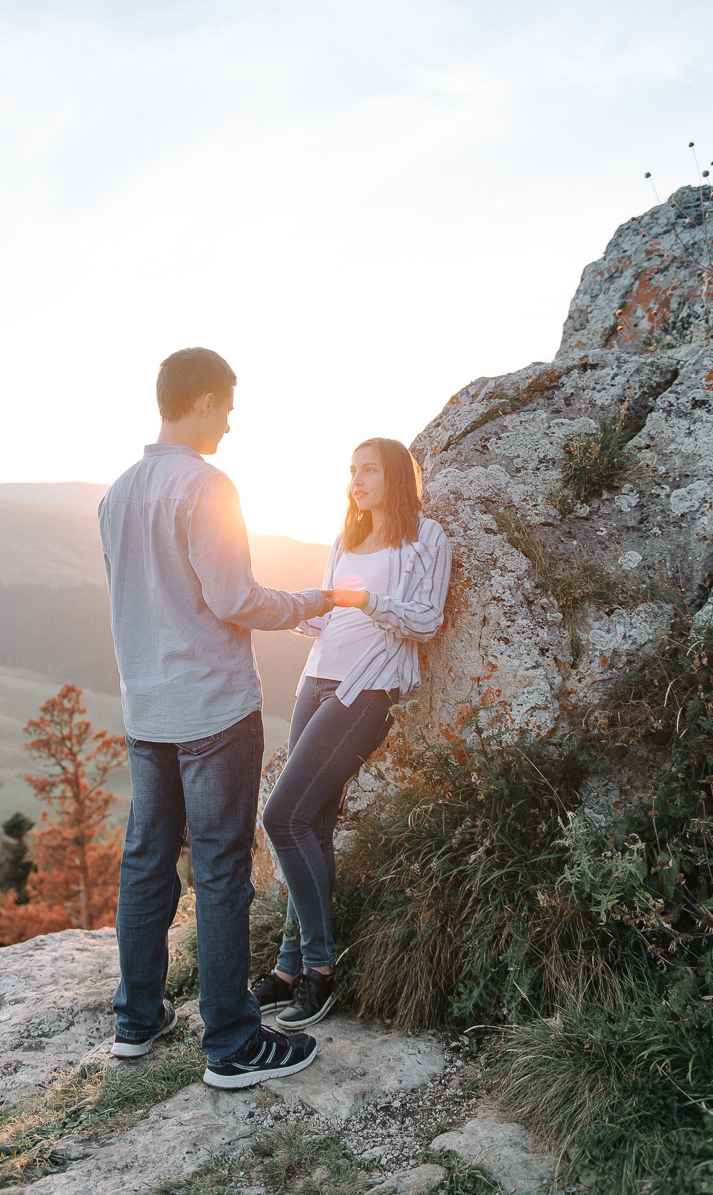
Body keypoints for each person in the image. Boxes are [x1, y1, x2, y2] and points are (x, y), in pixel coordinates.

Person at [98, 347, 333, 1089]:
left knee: (147, 862)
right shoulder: (206, 485)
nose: (229, 424)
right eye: (226, 408)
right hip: (213, 710)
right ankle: (231, 1043)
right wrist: (310, 603)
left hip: (147, 709)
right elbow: (235, 600)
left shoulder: (117, 492)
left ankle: (137, 1020)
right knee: (222, 868)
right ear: (201, 401)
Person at [256, 437, 452, 1029]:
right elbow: (327, 614)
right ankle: (288, 970)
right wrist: (282, 607)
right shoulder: (347, 537)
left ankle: (319, 970)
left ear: (396, 476)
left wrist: (369, 601)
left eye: (369, 470)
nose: (356, 480)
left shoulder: (427, 538)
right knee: (311, 826)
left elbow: (426, 619)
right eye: (352, 470)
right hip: (315, 681)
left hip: (366, 690)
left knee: (281, 817)